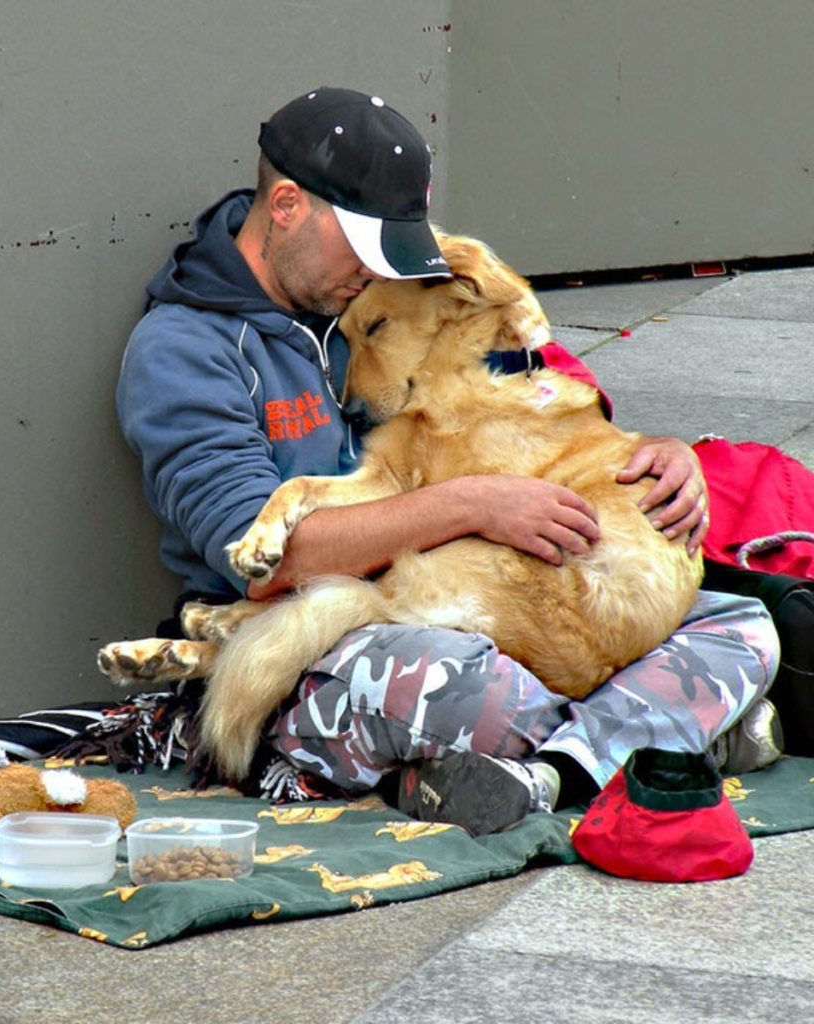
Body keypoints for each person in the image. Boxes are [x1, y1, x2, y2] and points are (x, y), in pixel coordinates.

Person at [115, 87, 781, 835]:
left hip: (488, 596)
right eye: (365, 251)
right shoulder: (185, 351)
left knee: (742, 622)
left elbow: (534, 389)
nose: (374, 276)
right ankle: (666, 735)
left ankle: (548, 773)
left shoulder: (361, 289)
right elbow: (264, 560)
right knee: (470, 691)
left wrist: (661, 456)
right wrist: (473, 503)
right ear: (289, 207)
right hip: (310, 634)